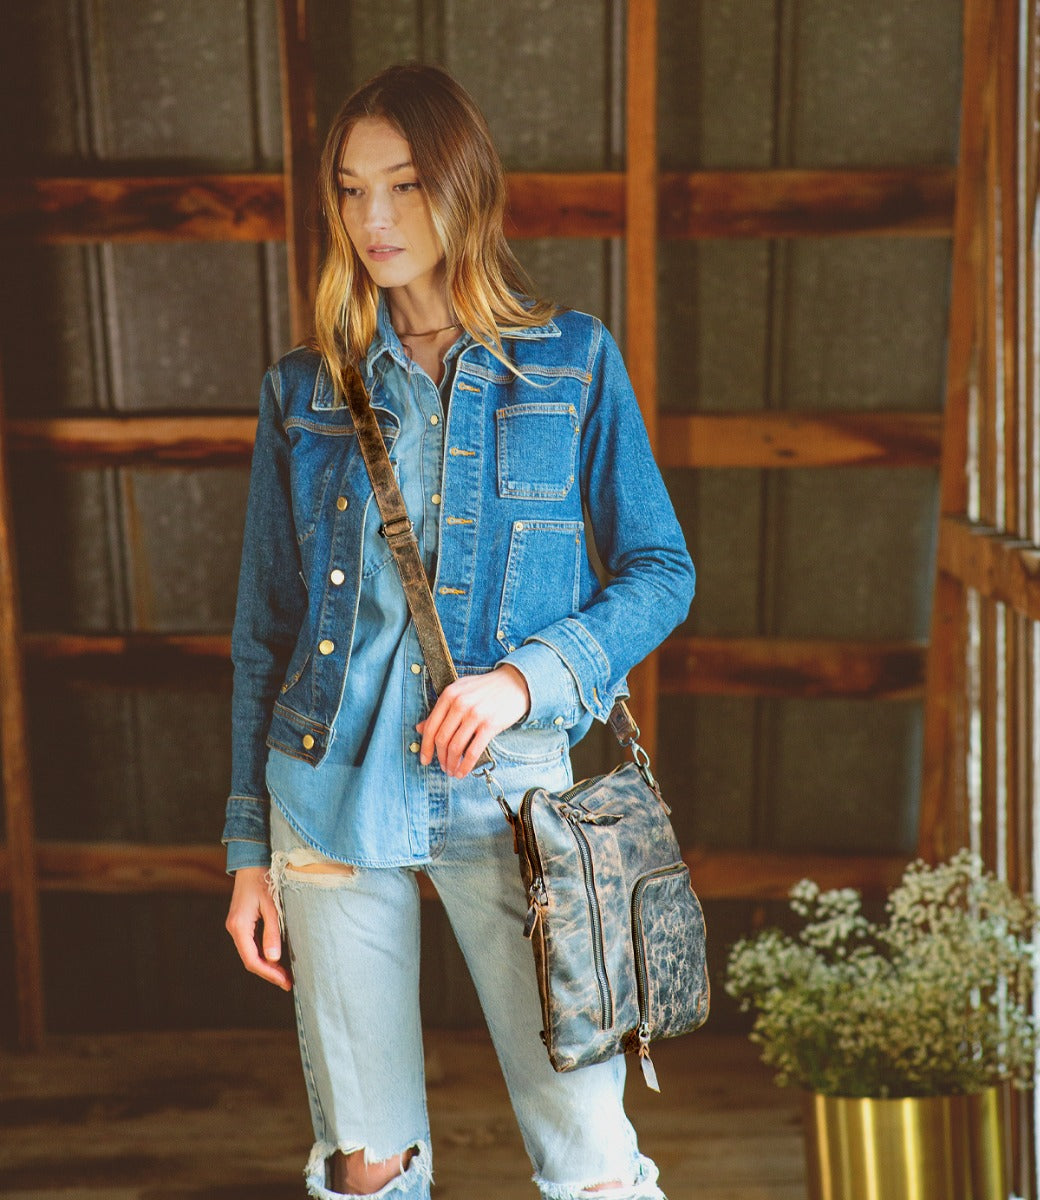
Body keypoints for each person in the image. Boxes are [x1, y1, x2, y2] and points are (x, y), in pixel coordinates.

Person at [222, 62, 695, 1200]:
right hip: (327, 801)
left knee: (589, 1159)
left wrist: (523, 682)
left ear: (464, 189)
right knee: (367, 1168)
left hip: (517, 803)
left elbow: (659, 571)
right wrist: (246, 850)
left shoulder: (567, 362)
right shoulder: (304, 393)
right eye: (349, 191)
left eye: (404, 186)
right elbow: (264, 633)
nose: (374, 220)